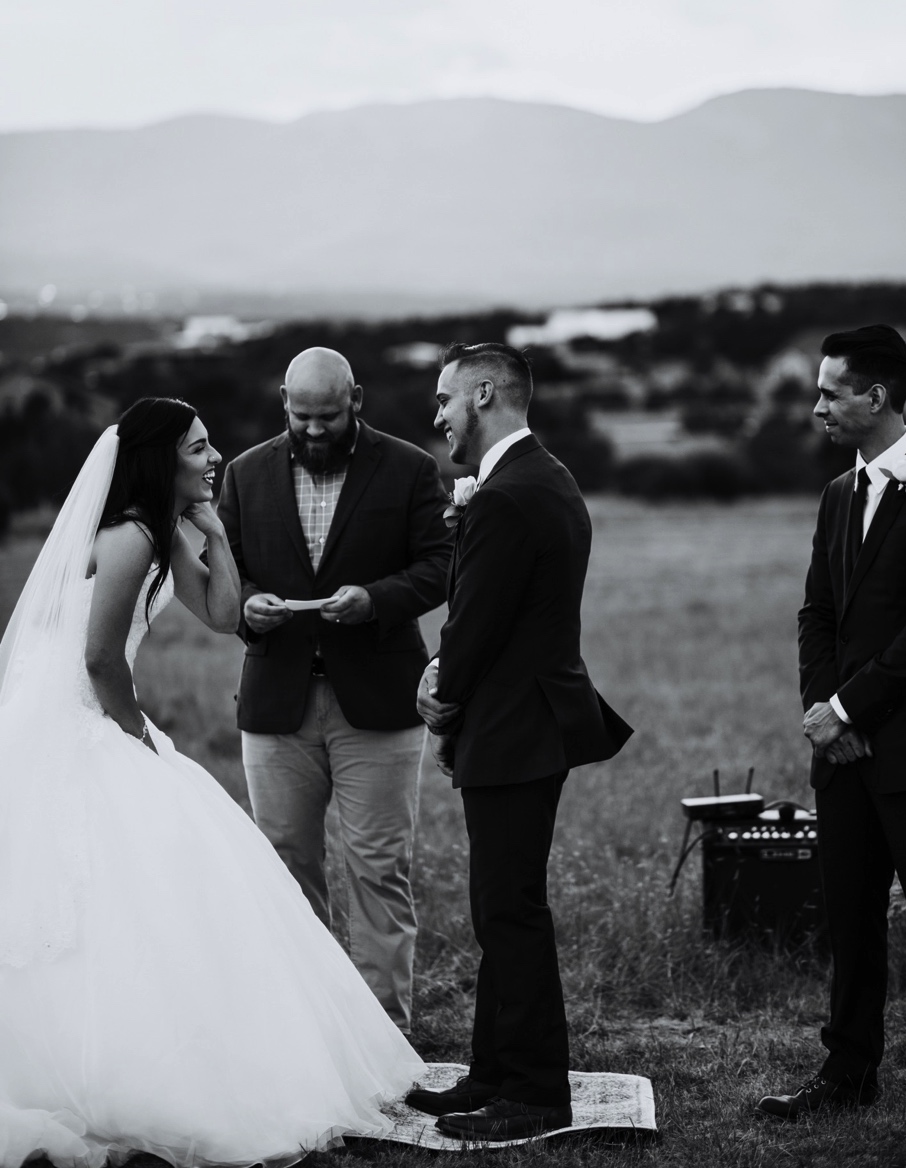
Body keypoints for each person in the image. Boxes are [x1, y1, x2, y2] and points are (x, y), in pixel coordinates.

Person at [0, 398, 422, 1168]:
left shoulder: (163, 532)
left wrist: (217, 534)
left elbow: (227, 616)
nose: (215, 456)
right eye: (198, 449)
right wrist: (134, 738)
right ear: (164, 460)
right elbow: (98, 659)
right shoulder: (127, 535)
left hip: (104, 708)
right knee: (102, 887)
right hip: (80, 717)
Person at [406, 342, 633, 1142]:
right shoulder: (542, 476)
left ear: (486, 393)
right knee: (496, 905)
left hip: (515, 724)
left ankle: (535, 1091)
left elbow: (477, 621)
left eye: (445, 399)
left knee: (510, 910)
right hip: (526, 720)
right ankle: (493, 1070)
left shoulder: (507, 495)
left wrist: (439, 688)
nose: (437, 416)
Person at [757, 325, 906, 1121]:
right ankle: (847, 1074)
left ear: (876, 396)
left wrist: (849, 708)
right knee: (850, 921)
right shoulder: (836, 495)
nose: (817, 409)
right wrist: (824, 715)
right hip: (841, 756)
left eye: (830, 393)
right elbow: (817, 614)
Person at [216, 347, 451, 1033]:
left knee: (379, 869)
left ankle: (381, 1035)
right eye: (301, 415)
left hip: (378, 705)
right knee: (286, 869)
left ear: (357, 400)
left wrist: (374, 600)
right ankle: (305, 1034)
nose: (314, 430)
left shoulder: (408, 468)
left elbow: (441, 566)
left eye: (328, 415)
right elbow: (224, 576)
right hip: (276, 705)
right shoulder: (245, 473)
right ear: (284, 400)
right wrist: (248, 605)